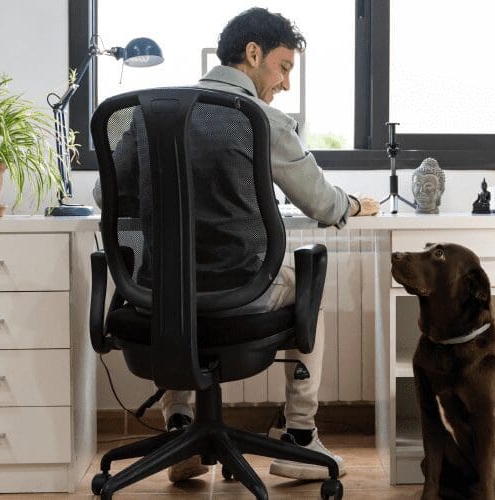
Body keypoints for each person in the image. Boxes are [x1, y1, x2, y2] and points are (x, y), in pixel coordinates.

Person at [93, 7, 378, 483]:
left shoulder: (147, 117)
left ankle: (179, 423)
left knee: (177, 285)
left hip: (154, 296)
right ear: (252, 54)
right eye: (283, 67)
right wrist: (357, 204)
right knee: (305, 282)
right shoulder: (261, 118)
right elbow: (325, 206)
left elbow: (105, 197)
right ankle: (299, 438)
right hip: (241, 295)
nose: (286, 83)